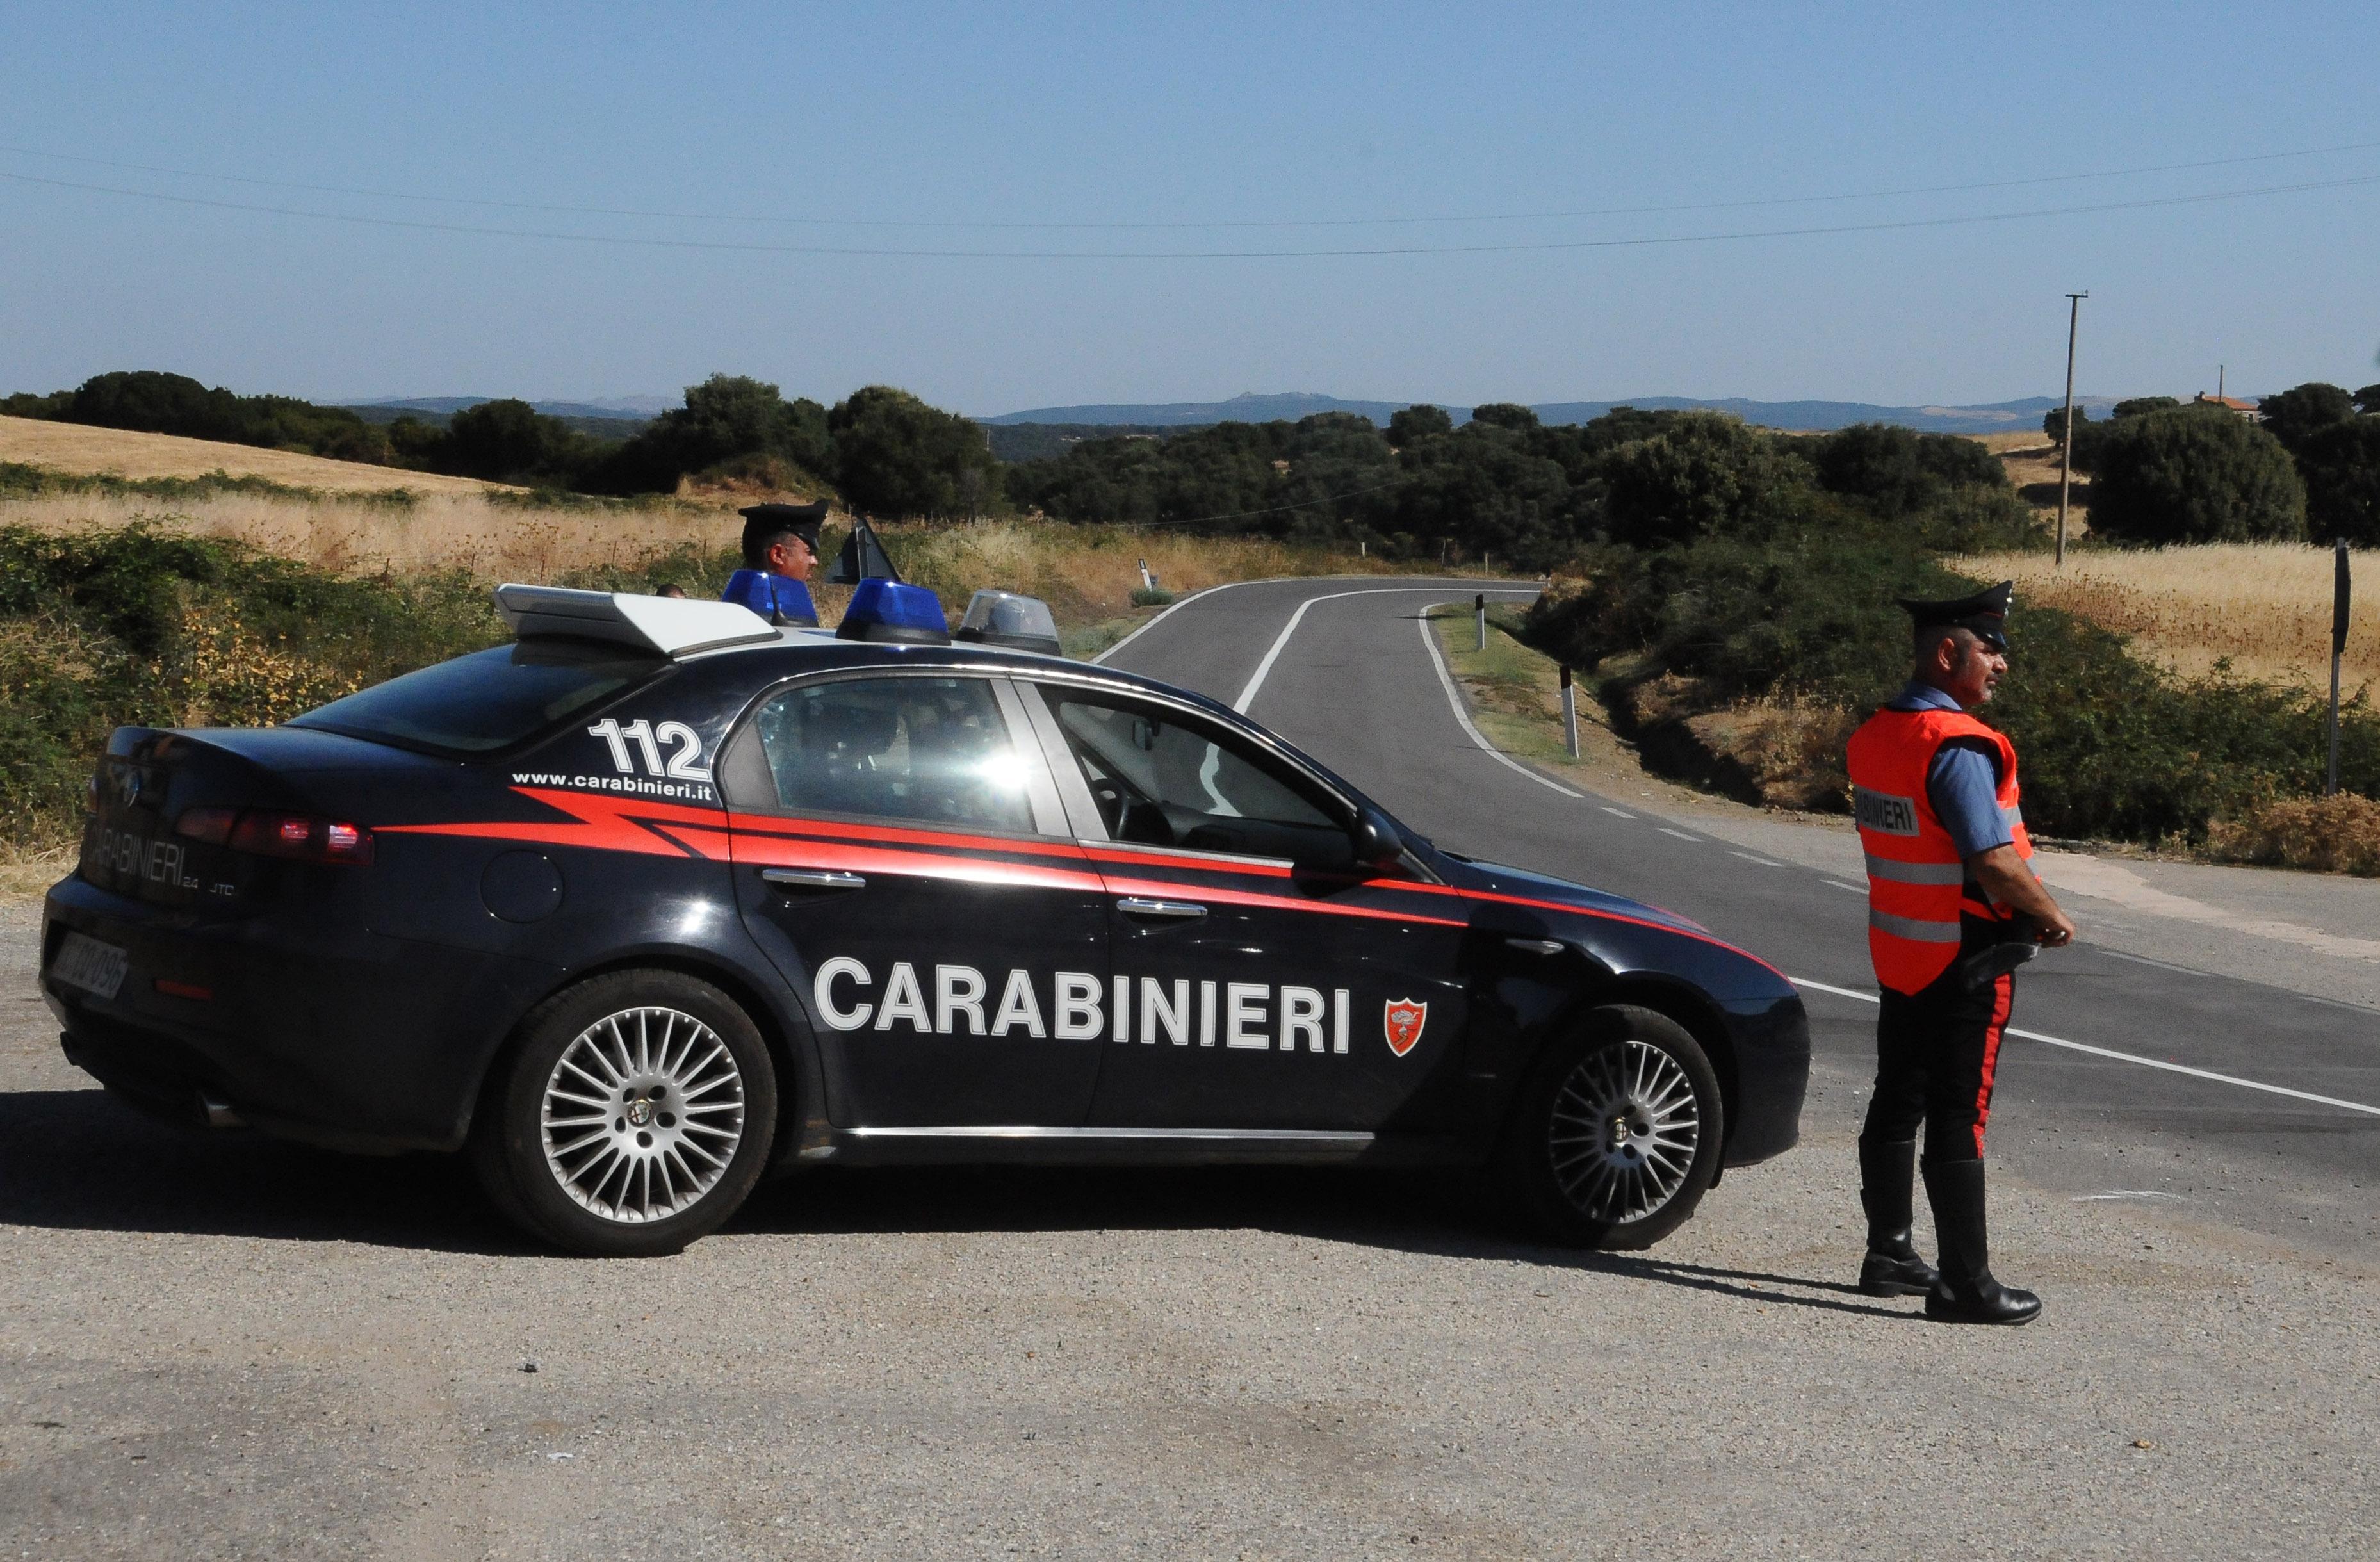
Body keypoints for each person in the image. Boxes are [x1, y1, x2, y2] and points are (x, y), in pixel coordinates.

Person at [1845, 581, 2075, 1326]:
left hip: (1901, 946)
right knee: (1958, 1112)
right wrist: (2049, 915)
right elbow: (1994, 860)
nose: (2001, 664)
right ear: (1948, 654)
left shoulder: (1876, 734)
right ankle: (1963, 1284)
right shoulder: (1958, 746)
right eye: (1991, 649)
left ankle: (1888, 1253)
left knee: (1896, 1096)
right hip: (1967, 953)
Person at [721, 501, 827, 625]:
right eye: (808, 552)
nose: (814, 561)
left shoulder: (727, 620)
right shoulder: (790, 626)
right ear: (777, 555)